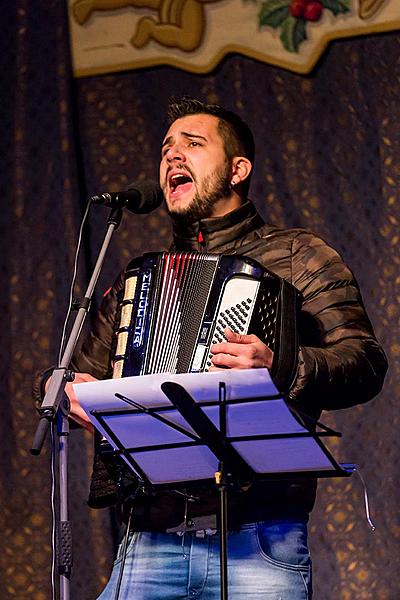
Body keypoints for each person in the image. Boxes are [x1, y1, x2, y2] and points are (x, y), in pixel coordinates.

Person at [36, 97, 387, 599]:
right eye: (166, 149)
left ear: (238, 169)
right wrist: (61, 387)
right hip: (149, 538)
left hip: (261, 538)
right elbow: (76, 373)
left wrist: (280, 365)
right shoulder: (140, 277)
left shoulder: (299, 254)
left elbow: (365, 362)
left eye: (193, 145)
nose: (173, 156)